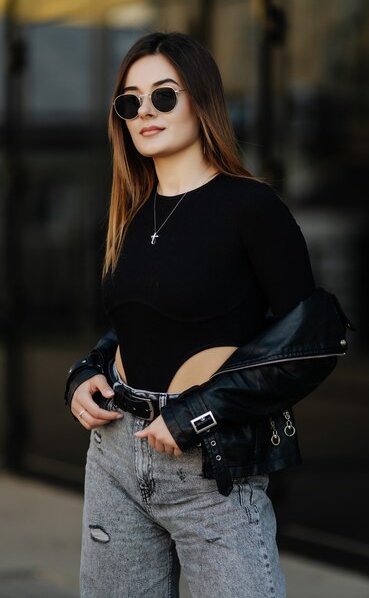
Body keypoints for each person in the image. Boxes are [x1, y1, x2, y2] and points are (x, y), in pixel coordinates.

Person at [65, 32, 352, 598]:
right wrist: (86, 372)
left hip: (210, 469)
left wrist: (199, 413)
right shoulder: (132, 212)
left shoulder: (251, 207)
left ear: (201, 100)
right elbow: (141, 323)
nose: (144, 111)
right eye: (130, 101)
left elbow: (314, 339)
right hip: (116, 455)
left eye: (164, 95)